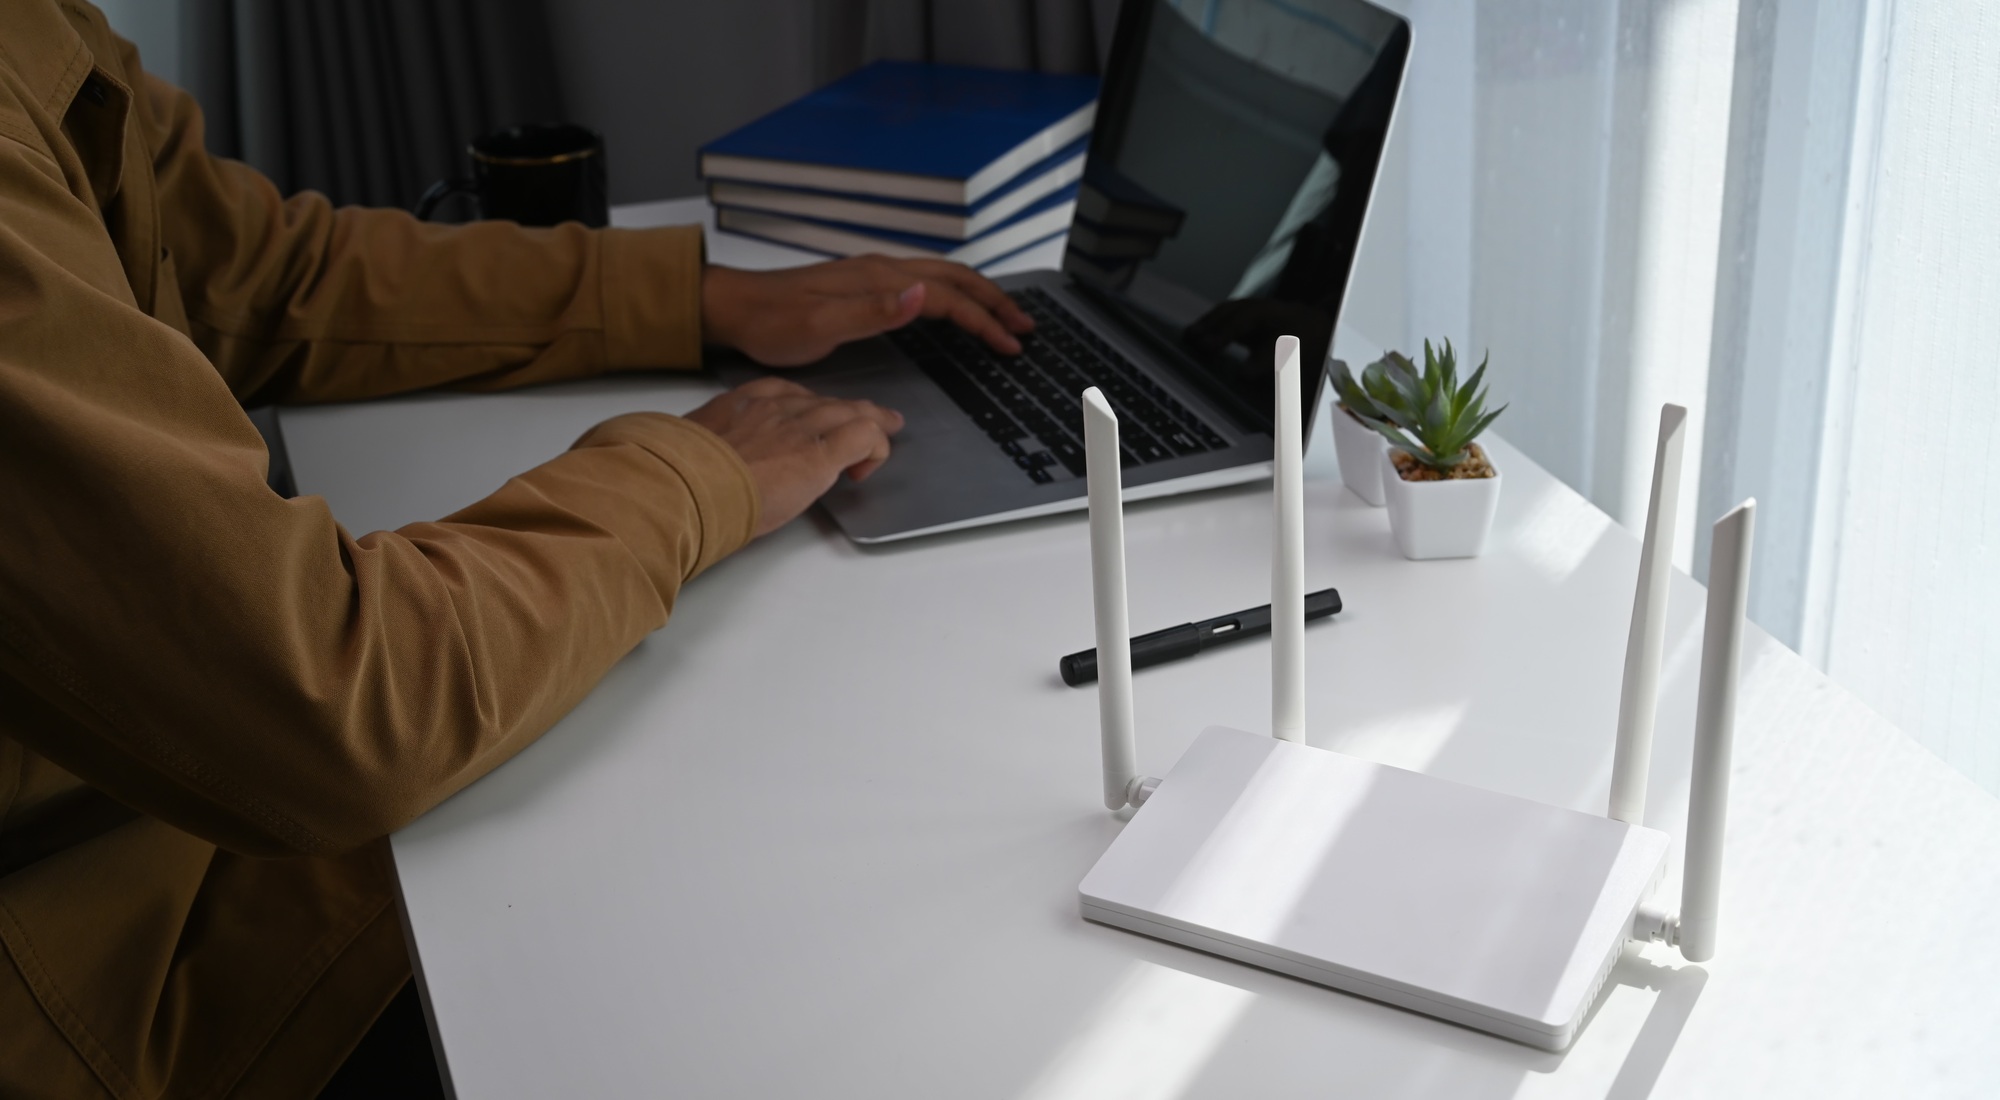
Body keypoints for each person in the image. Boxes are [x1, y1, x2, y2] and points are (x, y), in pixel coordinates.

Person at [0, 3, 1034, 1096]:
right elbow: (332, 697)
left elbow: (245, 274)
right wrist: (698, 475)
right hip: (126, 981)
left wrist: (693, 298)